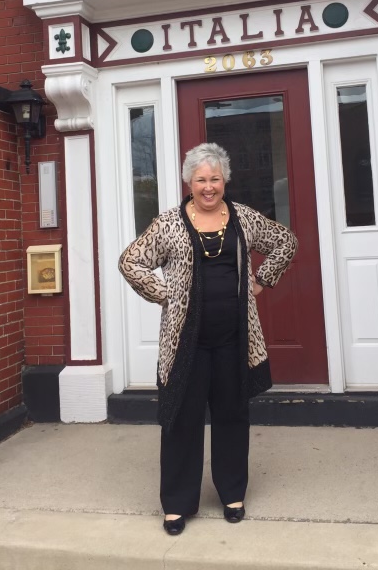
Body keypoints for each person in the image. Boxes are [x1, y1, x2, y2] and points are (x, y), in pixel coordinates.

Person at [118, 142, 298, 535]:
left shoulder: (242, 219)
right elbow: (130, 261)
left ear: (225, 180)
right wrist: (164, 293)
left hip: (234, 338)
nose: (208, 186)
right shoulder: (169, 223)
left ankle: (232, 492)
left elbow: (285, 241)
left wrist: (263, 279)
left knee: (233, 414)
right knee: (181, 418)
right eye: (201, 179)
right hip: (187, 341)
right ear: (189, 181)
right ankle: (177, 504)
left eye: (215, 178)